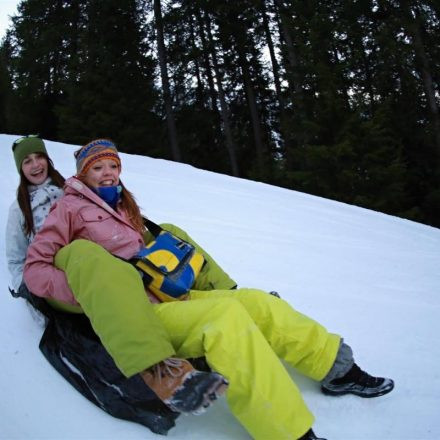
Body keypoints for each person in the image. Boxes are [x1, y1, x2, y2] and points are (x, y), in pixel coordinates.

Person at [23, 139, 394, 440]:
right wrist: (99, 293)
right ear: (82, 174)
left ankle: (337, 369)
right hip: (141, 313)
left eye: (113, 166)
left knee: (257, 304)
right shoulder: (68, 209)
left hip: (170, 295)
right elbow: (36, 270)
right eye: (98, 167)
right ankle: (287, 433)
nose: (107, 173)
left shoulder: (124, 206)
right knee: (226, 318)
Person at [6, 135, 65, 296]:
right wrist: (26, 289)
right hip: (49, 282)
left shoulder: (70, 191)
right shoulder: (19, 209)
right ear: (21, 169)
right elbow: (16, 260)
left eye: (39, 157)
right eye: (27, 161)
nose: (35, 165)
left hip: (84, 264)